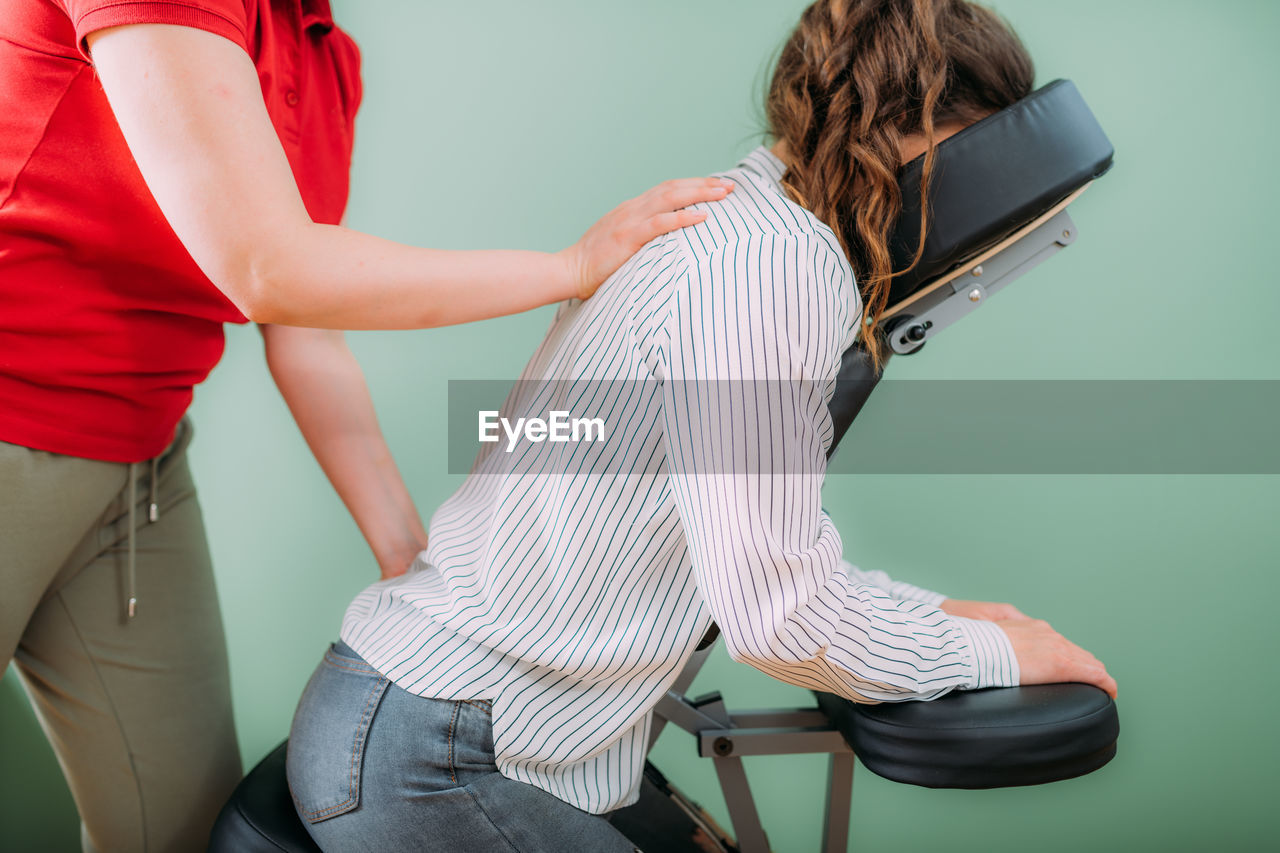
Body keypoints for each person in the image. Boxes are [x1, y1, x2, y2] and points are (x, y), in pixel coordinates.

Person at [287, 1, 1118, 850]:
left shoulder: (737, 222)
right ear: (919, 131)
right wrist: (993, 656)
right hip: (441, 754)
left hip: (436, 720)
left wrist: (939, 616)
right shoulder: (772, 268)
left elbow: (759, 548)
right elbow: (778, 611)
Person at [0, 1, 733, 850]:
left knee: (182, 831)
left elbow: (305, 330)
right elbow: (266, 268)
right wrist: (567, 268)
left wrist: (404, 550)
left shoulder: (320, 52)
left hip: (139, 463)